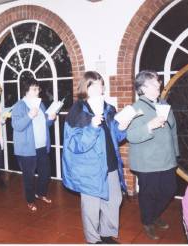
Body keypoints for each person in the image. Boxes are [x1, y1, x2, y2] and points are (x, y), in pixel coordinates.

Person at [62, 71, 131, 244]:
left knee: (114, 199)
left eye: (100, 83)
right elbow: (75, 144)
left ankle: (106, 233)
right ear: (86, 87)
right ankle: (93, 240)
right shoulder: (77, 111)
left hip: (110, 162)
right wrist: (92, 127)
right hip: (89, 167)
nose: (98, 87)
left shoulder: (108, 108)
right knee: (92, 207)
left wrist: (122, 126)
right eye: (94, 84)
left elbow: (116, 136)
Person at [126, 70, 179, 240]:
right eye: (155, 83)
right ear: (143, 87)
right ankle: (148, 221)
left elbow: (173, 131)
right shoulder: (134, 109)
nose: (159, 85)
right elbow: (131, 136)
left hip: (167, 159)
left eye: (158, 82)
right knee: (149, 194)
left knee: (170, 190)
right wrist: (150, 126)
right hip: (147, 161)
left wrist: (175, 153)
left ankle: (154, 215)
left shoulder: (163, 104)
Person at [11, 78, 56, 212]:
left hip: (41, 146)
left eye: (38, 89)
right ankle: (30, 200)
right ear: (26, 91)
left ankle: (40, 194)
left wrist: (51, 119)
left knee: (46, 173)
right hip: (27, 149)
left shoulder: (40, 104)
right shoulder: (20, 105)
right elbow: (17, 126)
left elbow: (45, 123)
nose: (37, 91)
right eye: (34, 89)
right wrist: (29, 115)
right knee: (28, 176)